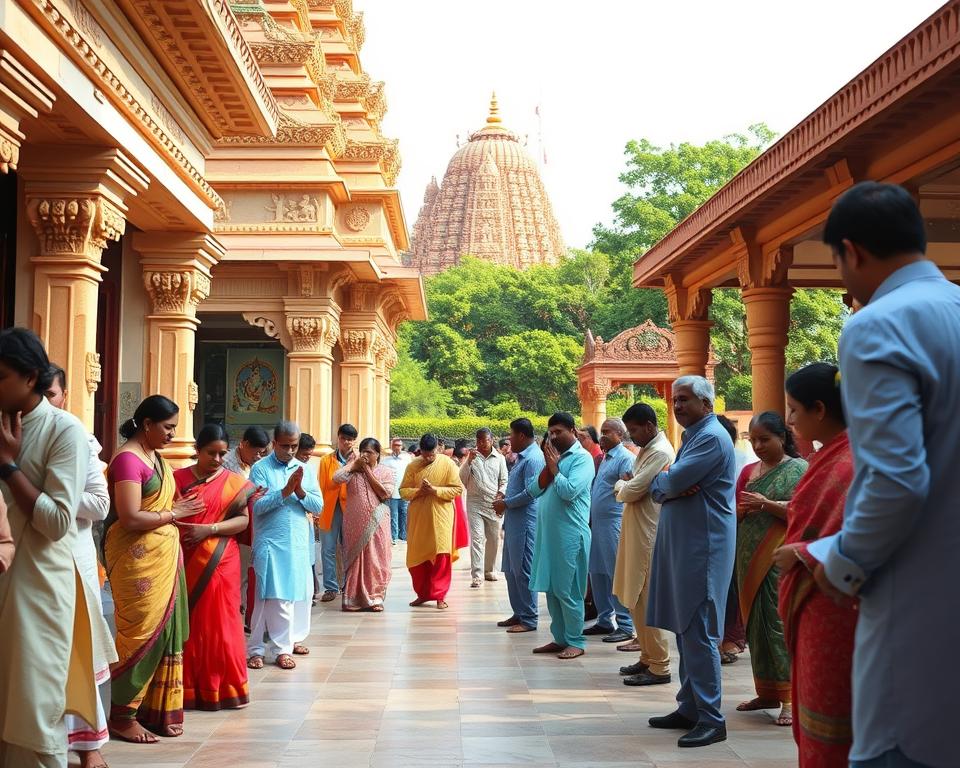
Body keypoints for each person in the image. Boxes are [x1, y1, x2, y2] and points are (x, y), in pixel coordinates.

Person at [814, 181, 960, 768]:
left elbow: (896, 479)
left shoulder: (878, 325)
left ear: (851, 251)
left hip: (916, 601)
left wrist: (844, 563)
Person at [0, 329, 93, 767]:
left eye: (0, 377)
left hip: (38, 588)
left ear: (30, 376)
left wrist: (9, 467)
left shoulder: (64, 431)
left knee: (34, 716)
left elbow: (57, 522)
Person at [104, 394, 203, 743]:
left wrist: (176, 512)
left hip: (163, 555)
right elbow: (130, 517)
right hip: (137, 561)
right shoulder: (128, 461)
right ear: (147, 424)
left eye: (175, 427)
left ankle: (154, 710)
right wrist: (175, 514)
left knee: (165, 631)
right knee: (140, 634)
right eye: (168, 427)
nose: (173, 434)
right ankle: (121, 715)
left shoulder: (155, 457)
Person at [773, 363, 856, 767]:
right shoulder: (831, 456)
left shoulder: (852, 461)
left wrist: (805, 553)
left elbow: (868, 535)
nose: (788, 420)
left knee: (833, 715)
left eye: (793, 409)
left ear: (819, 409)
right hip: (816, 604)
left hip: (835, 608)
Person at [647, 375, 736, 749]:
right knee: (687, 629)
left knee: (699, 632)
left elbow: (668, 482)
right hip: (686, 548)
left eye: (684, 399)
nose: (677, 406)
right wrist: (667, 484)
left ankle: (712, 720)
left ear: (706, 403)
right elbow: (660, 486)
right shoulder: (692, 436)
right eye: (675, 400)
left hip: (703, 550)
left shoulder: (713, 438)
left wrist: (667, 484)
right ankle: (689, 708)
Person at [45, 366, 117, 767]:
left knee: (78, 653)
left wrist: (46, 496)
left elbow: (100, 505)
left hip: (72, 557)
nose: (43, 401)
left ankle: (89, 747)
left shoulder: (76, 437)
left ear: (65, 394)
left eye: (50, 393)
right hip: (27, 559)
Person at [173, 424, 254, 710]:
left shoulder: (234, 482)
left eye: (222, 454)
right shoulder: (176, 479)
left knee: (222, 623)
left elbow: (243, 521)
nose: (217, 460)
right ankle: (187, 689)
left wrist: (209, 529)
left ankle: (226, 688)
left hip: (222, 559)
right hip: (183, 557)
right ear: (196, 450)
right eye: (210, 453)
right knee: (189, 624)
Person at [734, 412, 807, 727]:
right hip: (747, 556)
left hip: (779, 558)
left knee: (777, 626)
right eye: (754, 439)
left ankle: (790, 698)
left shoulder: (799, 470)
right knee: (755, 628)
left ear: (783, 438)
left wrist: (766, 504)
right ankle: (766, 692)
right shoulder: (750, 471)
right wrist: (737, 512)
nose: (759, 445)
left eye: (766, 439)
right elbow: (734, 508)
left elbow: (804, 513)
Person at [246, 421, 323, 671]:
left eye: (294, 446)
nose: (290, 451)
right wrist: (284, 492)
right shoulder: (260, 469)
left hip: (298, 541)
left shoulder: (305, 469)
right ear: (274, 444)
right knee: (268, 596)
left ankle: (286, 644)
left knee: (297, 594)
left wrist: (299, 491)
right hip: (270, 541)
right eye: (285, 446)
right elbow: (256, 506)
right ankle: (258, 649)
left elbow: (319, 506)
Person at [615, 403, 676, 687]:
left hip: (650, 535)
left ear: (650, 426)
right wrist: (627, 486)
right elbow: (633, 487)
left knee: (648, 599)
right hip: (636, 532)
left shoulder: (661, 451)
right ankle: (647, 656)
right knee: (636, 599)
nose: (632, 436)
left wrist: (621, 486)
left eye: (635, 430)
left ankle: (660, 666)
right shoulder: (647, 450)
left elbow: (633, 489)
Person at [528, 412, 594, 660]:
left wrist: (555, 469)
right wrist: (549, 467)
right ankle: (560, 638)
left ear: (573, 431)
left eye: (558, 432)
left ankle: (576, 641)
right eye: (550, 432)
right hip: (549, 536)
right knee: (553, 590)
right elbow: (534, 489)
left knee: (569, 590)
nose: (553, 436)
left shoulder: (582, 459)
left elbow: (568, 492)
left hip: (571, 535)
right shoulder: (552, 458)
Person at [584, 418, 636, 644]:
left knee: (615, 573)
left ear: (619, 434)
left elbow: (631, 485)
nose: (602, 436)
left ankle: (625, 624)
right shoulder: (606, 457)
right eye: (602, 432)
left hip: (614, 523)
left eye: (607, 432)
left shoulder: (625, 458)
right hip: (598, 523)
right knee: (597, 572)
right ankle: (605, 619)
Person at [400, 434, 463, 609]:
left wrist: (434, 490)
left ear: (437, 449)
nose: (428, 458)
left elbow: (457, 489)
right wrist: (419, 491)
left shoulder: (447, 463)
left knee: (441, 555)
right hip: (419, 517)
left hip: (441, 516)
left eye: (431, 454)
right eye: (425, 454)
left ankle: (440, 595)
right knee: (417, 558)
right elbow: (403, 491)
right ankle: (423, 594)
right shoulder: (413, 465)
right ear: (420, 450)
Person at [493, 418, 545, 633]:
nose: (509, 439)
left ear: (522, 436)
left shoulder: (533, 458)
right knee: (510, 569)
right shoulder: (522, 457)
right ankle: (520, 612)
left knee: (523, 570)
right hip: (513, 520)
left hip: (525, 522)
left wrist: (505, 503)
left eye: (512, 435)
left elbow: (531, 493)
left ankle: (529, 618)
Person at [334, 438, 395, 611]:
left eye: (370, 452)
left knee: (376, 558)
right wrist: (354, 466)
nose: (366, 455)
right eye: (363, 451)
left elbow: (385, 493)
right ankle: (353, 599)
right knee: (356, 560)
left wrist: (367, 471)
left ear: (378, 454)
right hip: (354, 522)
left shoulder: (385, 472)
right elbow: (336, 478)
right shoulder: (352, 469)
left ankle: (375, 599)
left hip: (378, 520)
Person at [223, 425, 269, 625]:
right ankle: (236, 617)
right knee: (238, 575)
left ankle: (251, 617)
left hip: (254, 527)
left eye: (262, 452)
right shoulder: (226, 464)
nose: (258, 456)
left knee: (252, 574)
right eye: (256, 451)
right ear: (244, 444)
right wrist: (250, 493)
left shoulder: (258, 465)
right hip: (231, 527)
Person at [716, 415, 747, 666]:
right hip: (714, 531)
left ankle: (733, 639)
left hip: (740, 531)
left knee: (734, 589)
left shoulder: (744, 461)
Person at [460, 427, 508, 589]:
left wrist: (501, 494)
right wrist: (469, 461)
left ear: (491, 440)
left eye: (484, 440)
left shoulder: (500, 458)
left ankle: (489, 570)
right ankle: (477, 574)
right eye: (478, 441)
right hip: (474, 503)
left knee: (494, 539)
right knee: (477, 538)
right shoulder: (472, 457)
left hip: (494, 503)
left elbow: (504, 480)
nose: (481, 444)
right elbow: (463, 478)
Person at [317, 423, 357, 602]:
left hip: (351, 509)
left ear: (354, 441)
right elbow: (322, 485)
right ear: (338, 438)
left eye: (350, 439)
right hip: (330, 508)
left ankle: (350, 584)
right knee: (328, 549)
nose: (346, 443)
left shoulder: (358, 460)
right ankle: (331, 587)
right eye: (343, 439)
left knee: (350, 548)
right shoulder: (326, 460)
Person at [295, 433, 321, 602]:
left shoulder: (309, 469)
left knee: (308, 556)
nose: (306, 458)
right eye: (304, 454)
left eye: (309, 455)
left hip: (306, 518)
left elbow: (316, 501)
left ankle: (310, 592)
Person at [381, 437, 412, 544]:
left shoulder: (407, 459)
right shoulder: (385, 461)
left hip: (404, 490)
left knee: (404, 513)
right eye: (395, 445)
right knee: (393, 515)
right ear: (391, 446)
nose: (397, 448)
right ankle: (393, 536)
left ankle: (403, 535)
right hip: (392, 492)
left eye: (399, 445)